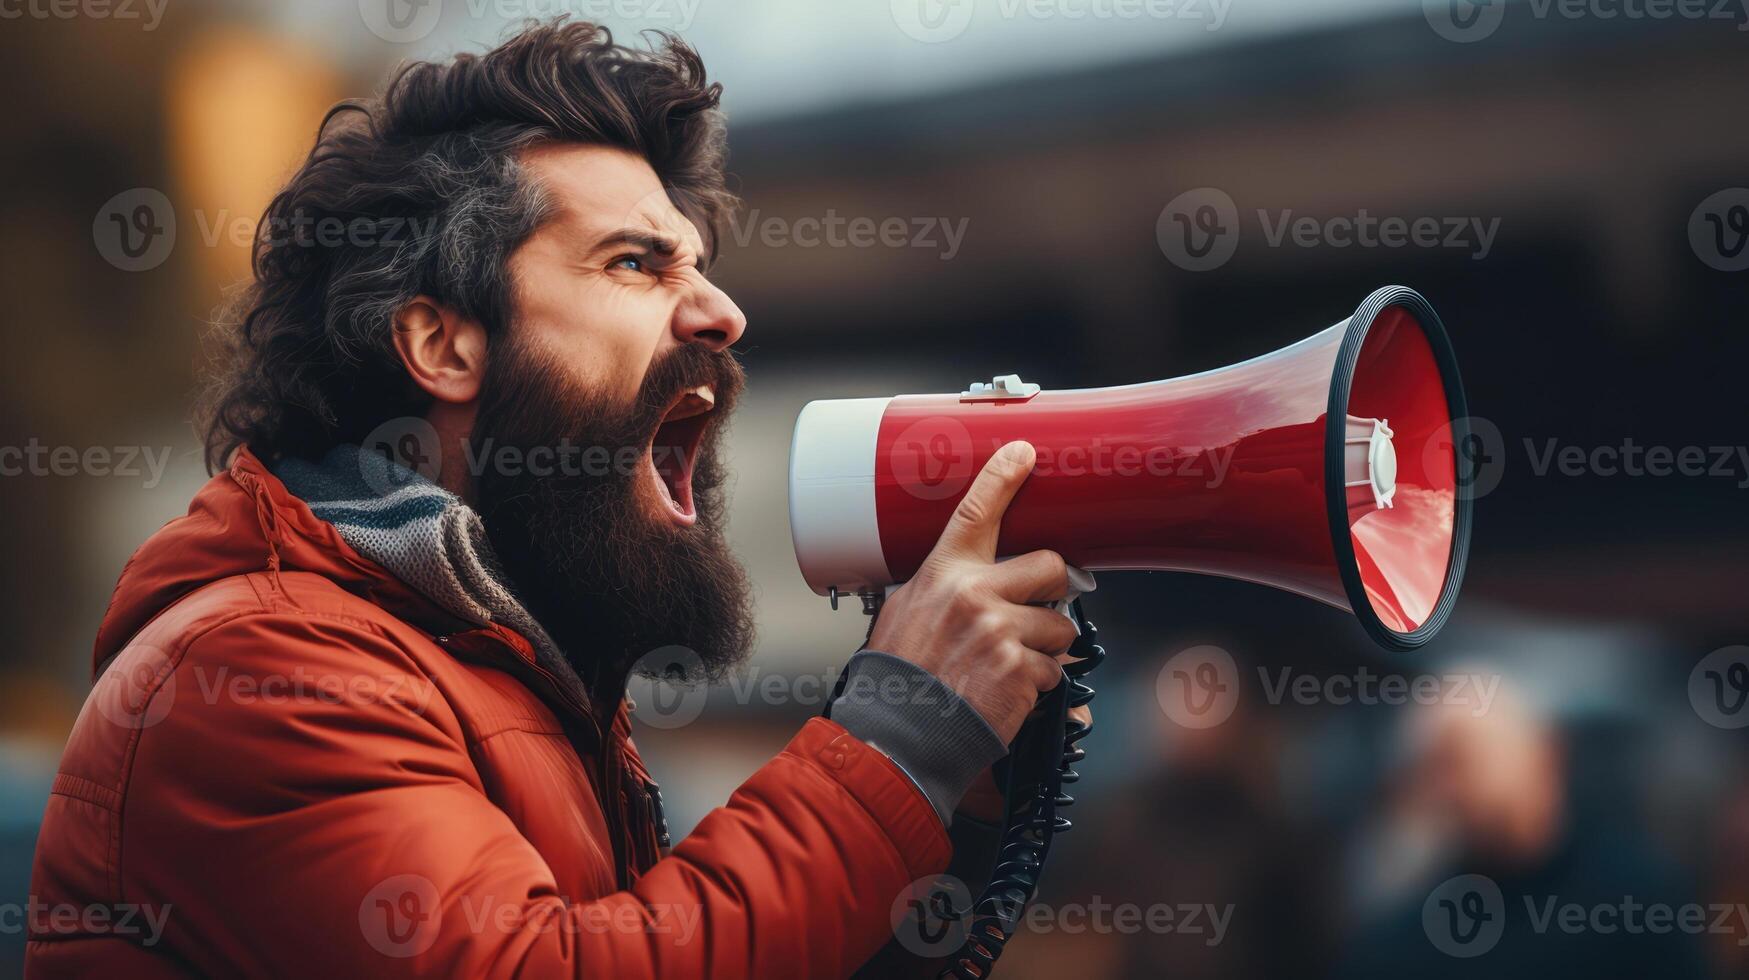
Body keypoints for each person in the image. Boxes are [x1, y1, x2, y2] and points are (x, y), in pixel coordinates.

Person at [25, 21, 1084, 978]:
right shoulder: (262, 670)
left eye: (700, 265)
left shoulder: (509, 668)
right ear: (443, 343)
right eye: (638, 262)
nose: (722, 310)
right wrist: (896, 732)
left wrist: (963, 787)